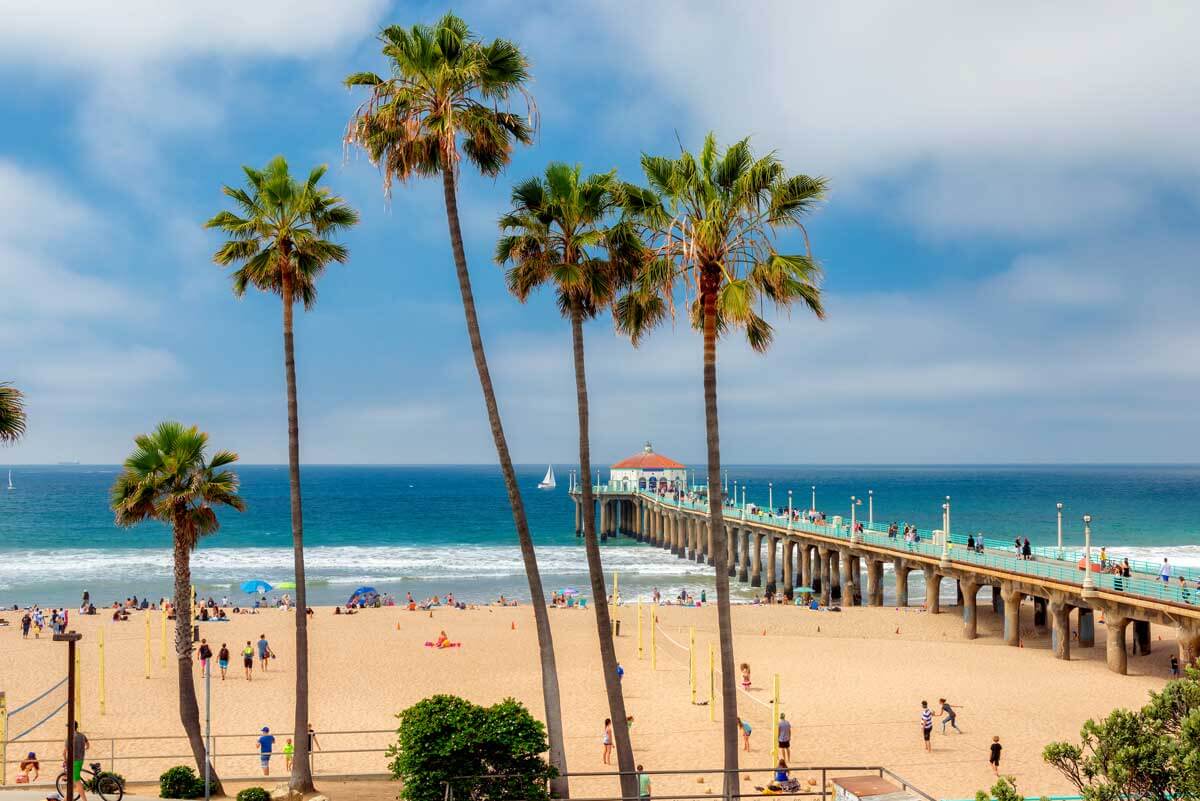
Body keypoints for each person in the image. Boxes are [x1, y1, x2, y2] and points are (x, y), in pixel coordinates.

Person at [65, 721, 89, 801]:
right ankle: (66, 798)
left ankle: (84, 800)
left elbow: (65, 752)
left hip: (74, 761)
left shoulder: (69, 737)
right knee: (73, 779)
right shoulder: (82, 735)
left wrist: (65, 760)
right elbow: (88, 745)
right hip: (81, 759)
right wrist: (83, 749)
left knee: (77, 780)